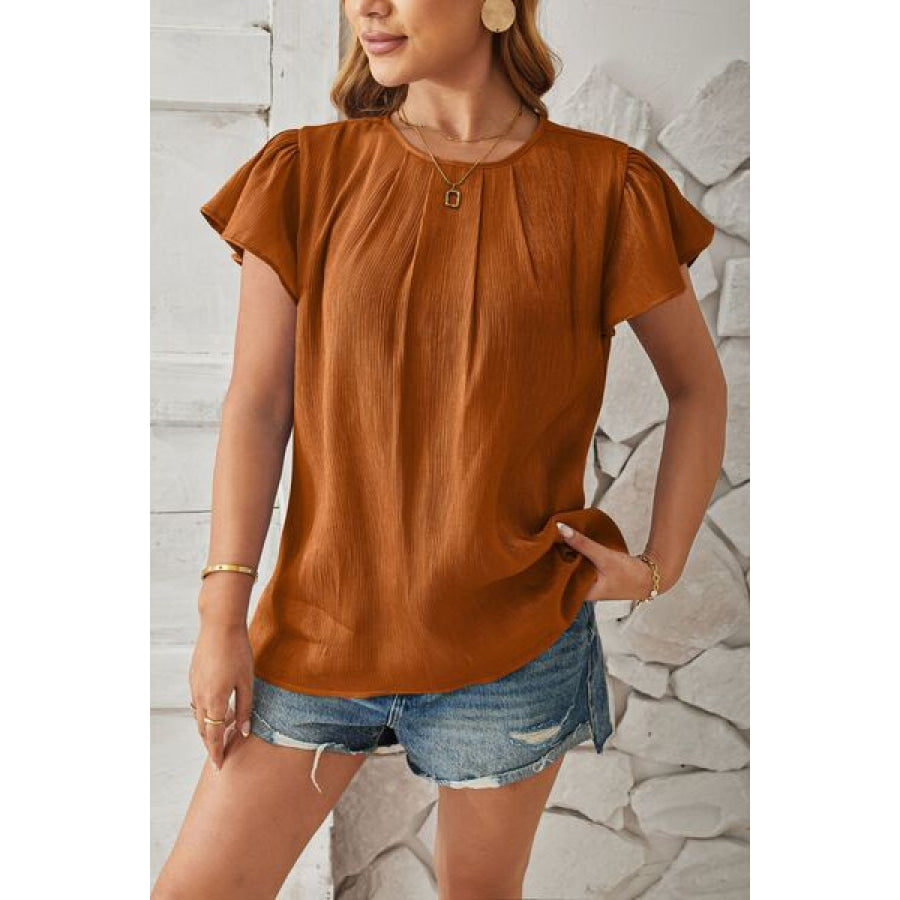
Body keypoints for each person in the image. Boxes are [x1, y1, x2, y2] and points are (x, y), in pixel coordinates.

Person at [151, 1, 727, 897]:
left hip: (514, 648)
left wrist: (659, 566)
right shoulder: (306, 172)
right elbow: (259, 407)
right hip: (317, 632)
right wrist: (221, 617)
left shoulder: (607, 188)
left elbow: (697, 387)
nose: (366, 6)